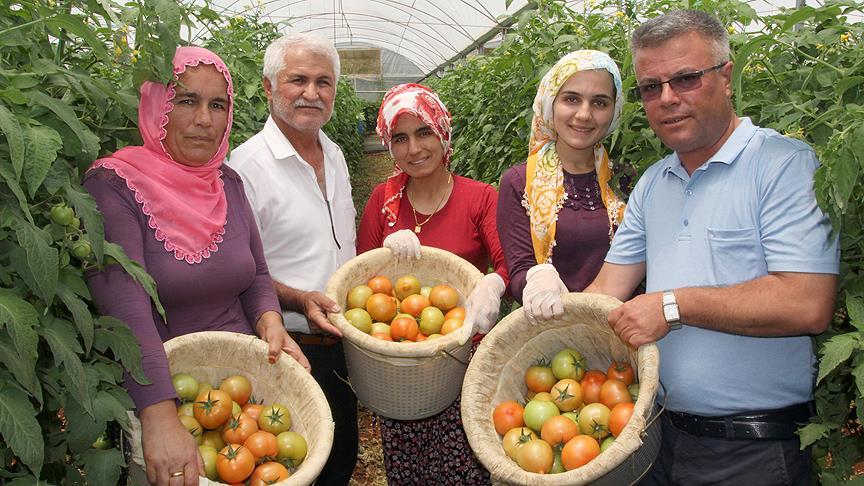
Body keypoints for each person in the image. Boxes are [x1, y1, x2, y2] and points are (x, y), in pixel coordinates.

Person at [582, 10, 839, 485]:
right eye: (651, 87)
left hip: (752, 452)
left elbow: (807, 302)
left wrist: (674, 305)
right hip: (659, 437)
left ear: (726, 76)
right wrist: (545, 303)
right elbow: (606, 291)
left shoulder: (783, 166)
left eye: (686, 78)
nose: (668, 99)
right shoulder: (655, 183)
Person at [84, 46, 308, 486]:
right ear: (157, 105)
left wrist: (269, 320)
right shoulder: (113, 186)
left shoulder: (228, 182)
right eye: (187, 100)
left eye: (217, 104)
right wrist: (159, 417)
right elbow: (126, 312)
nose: (204, 119)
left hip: (242, 395)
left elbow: (257, 275)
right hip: (165, 394)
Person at [356, 83, 508, 485]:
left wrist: (492, 283)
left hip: (462, 361)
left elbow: (509, 266)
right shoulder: (382, 204)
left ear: (442, 133)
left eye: (423, 132)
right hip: (399, 364)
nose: (414, 148)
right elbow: (360, 280)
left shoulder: (480, 198)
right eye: (400, 138)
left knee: (465, 467)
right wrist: (384, 258)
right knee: (409, 468)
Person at [227, 33, 358, 485]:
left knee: (341, 458)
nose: (311, 92)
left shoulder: (335, 154)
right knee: (293, 468)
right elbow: (241, 271)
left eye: (324, 82)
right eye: (297, 79)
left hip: (343, 346)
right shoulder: (244, 169)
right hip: (288, 352)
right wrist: (299, 299)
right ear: (267, 86)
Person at [497, 50, 627, 323]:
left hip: (617, 330)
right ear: (550, 102)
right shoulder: (520, 182)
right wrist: (537, 280)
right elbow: (519, 270)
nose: (584, 114)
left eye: (600, 103)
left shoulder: (623, 179)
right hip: (548, 336)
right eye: (571, 99)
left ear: (615, 111)